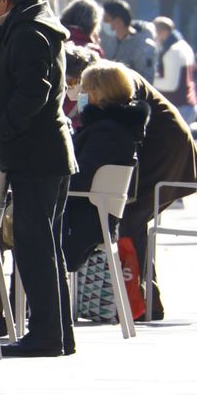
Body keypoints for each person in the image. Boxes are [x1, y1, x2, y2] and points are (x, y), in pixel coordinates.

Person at [0, 0, 76, 357]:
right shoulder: (29, 26)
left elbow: (35, 91)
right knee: (43, 247)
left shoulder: (30, 32)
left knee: (35, 248)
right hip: (40, 151)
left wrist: (3, 130)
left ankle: (47, 335)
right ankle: (56, 334)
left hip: (36, 153)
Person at [123, 72, 197, 320]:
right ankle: (145, 300)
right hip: (168, 148)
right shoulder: (125, 80)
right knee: (131, 218)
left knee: (130, 217)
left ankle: (142, 301)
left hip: (166, 151)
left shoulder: (119, 81)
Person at [63, 61, 148, 271]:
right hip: (91, 218)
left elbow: (81, 178)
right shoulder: (118, 127)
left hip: (82, 223)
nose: (80, 95)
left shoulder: (106, 132)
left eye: (84, 89)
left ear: (98, 93)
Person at [100, 0, 159, 83]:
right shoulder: (109, 42)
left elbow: (146, 80)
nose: (103, 24)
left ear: (118, 21)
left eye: (106, 21)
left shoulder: (143, 46)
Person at [150, 16, 196, 119]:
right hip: (187, 105)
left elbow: (170, 85)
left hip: (178, 107)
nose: (153, 38)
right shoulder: (184, 46)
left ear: (163, 32)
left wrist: (149, 81)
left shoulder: (173, 51)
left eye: (154, 33)